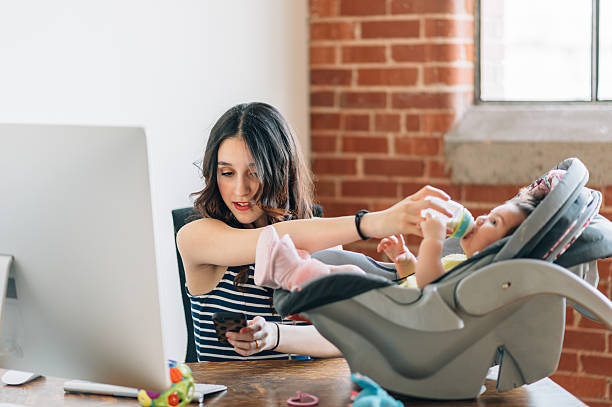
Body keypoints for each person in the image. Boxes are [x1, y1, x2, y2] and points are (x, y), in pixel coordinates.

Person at [176, 102, 453, 361]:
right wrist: (372, 223)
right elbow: (269, 242)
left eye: (255, 172)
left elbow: (343, 335)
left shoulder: (315, 235)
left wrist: (274, 335)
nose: (241, 190)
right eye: (227, 173)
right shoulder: (195, 237)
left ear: (281, 170)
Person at [254, 169, 566, 292]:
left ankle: (289, 270)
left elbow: (430, 285)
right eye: (490, 214)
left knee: (349, 279)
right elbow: (417, 279)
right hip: (406, 306)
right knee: (349, 269)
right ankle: (293, 268)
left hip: (406, 320)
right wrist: (404, 259)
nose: (482, 219)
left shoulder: (476, 279)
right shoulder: (463, 264)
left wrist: (433, 239)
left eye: (494, 224)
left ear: (504, 251)